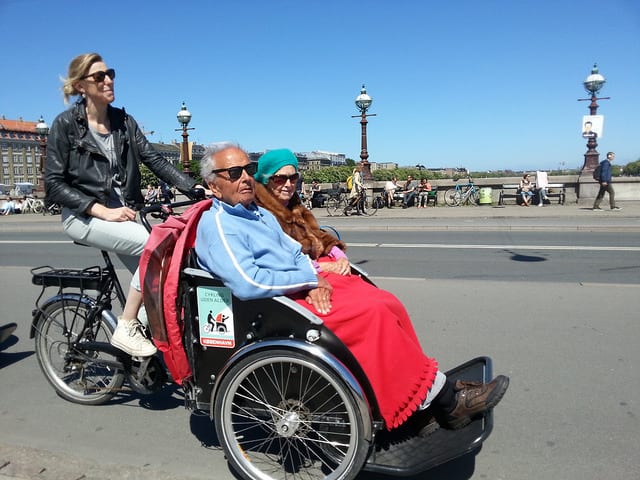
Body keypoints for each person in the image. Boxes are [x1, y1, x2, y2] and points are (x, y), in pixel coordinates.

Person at [194, 142, 509, 434]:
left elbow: (292, 251)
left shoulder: (257, 213)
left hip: (295, 286)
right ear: (213, 185)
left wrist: (314, 277)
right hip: (272, 302)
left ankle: (419, 390)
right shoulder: (220, 224)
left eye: (248, 169)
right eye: (235, 173)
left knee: (385, 301)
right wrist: (310, 280)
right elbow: (248, 282)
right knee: (372, 315)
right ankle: (447, 401)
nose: (246, 178)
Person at [45, 52, 197, 357]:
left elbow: (153, 159)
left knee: (164, 277)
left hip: (126, 215)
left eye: (110, 73)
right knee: (152, 244)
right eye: (99, 76)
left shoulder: (123, 122)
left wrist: (194, 187)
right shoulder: (65, 126)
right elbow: (53, 184)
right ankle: (127, 325)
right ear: (80, 86)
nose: (108, 80)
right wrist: (101, 210)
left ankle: (145, 335)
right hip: (84, 216)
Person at [253, 148, 350, 276]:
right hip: (297, 279)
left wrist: (340, 256)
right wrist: (321, 267)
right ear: (266, 180)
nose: (288, 184)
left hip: (318, 270)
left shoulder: (296, 207)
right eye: (280, 179)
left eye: (293, 178)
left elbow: (319, 235)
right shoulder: (258, 213)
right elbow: (275, 260)